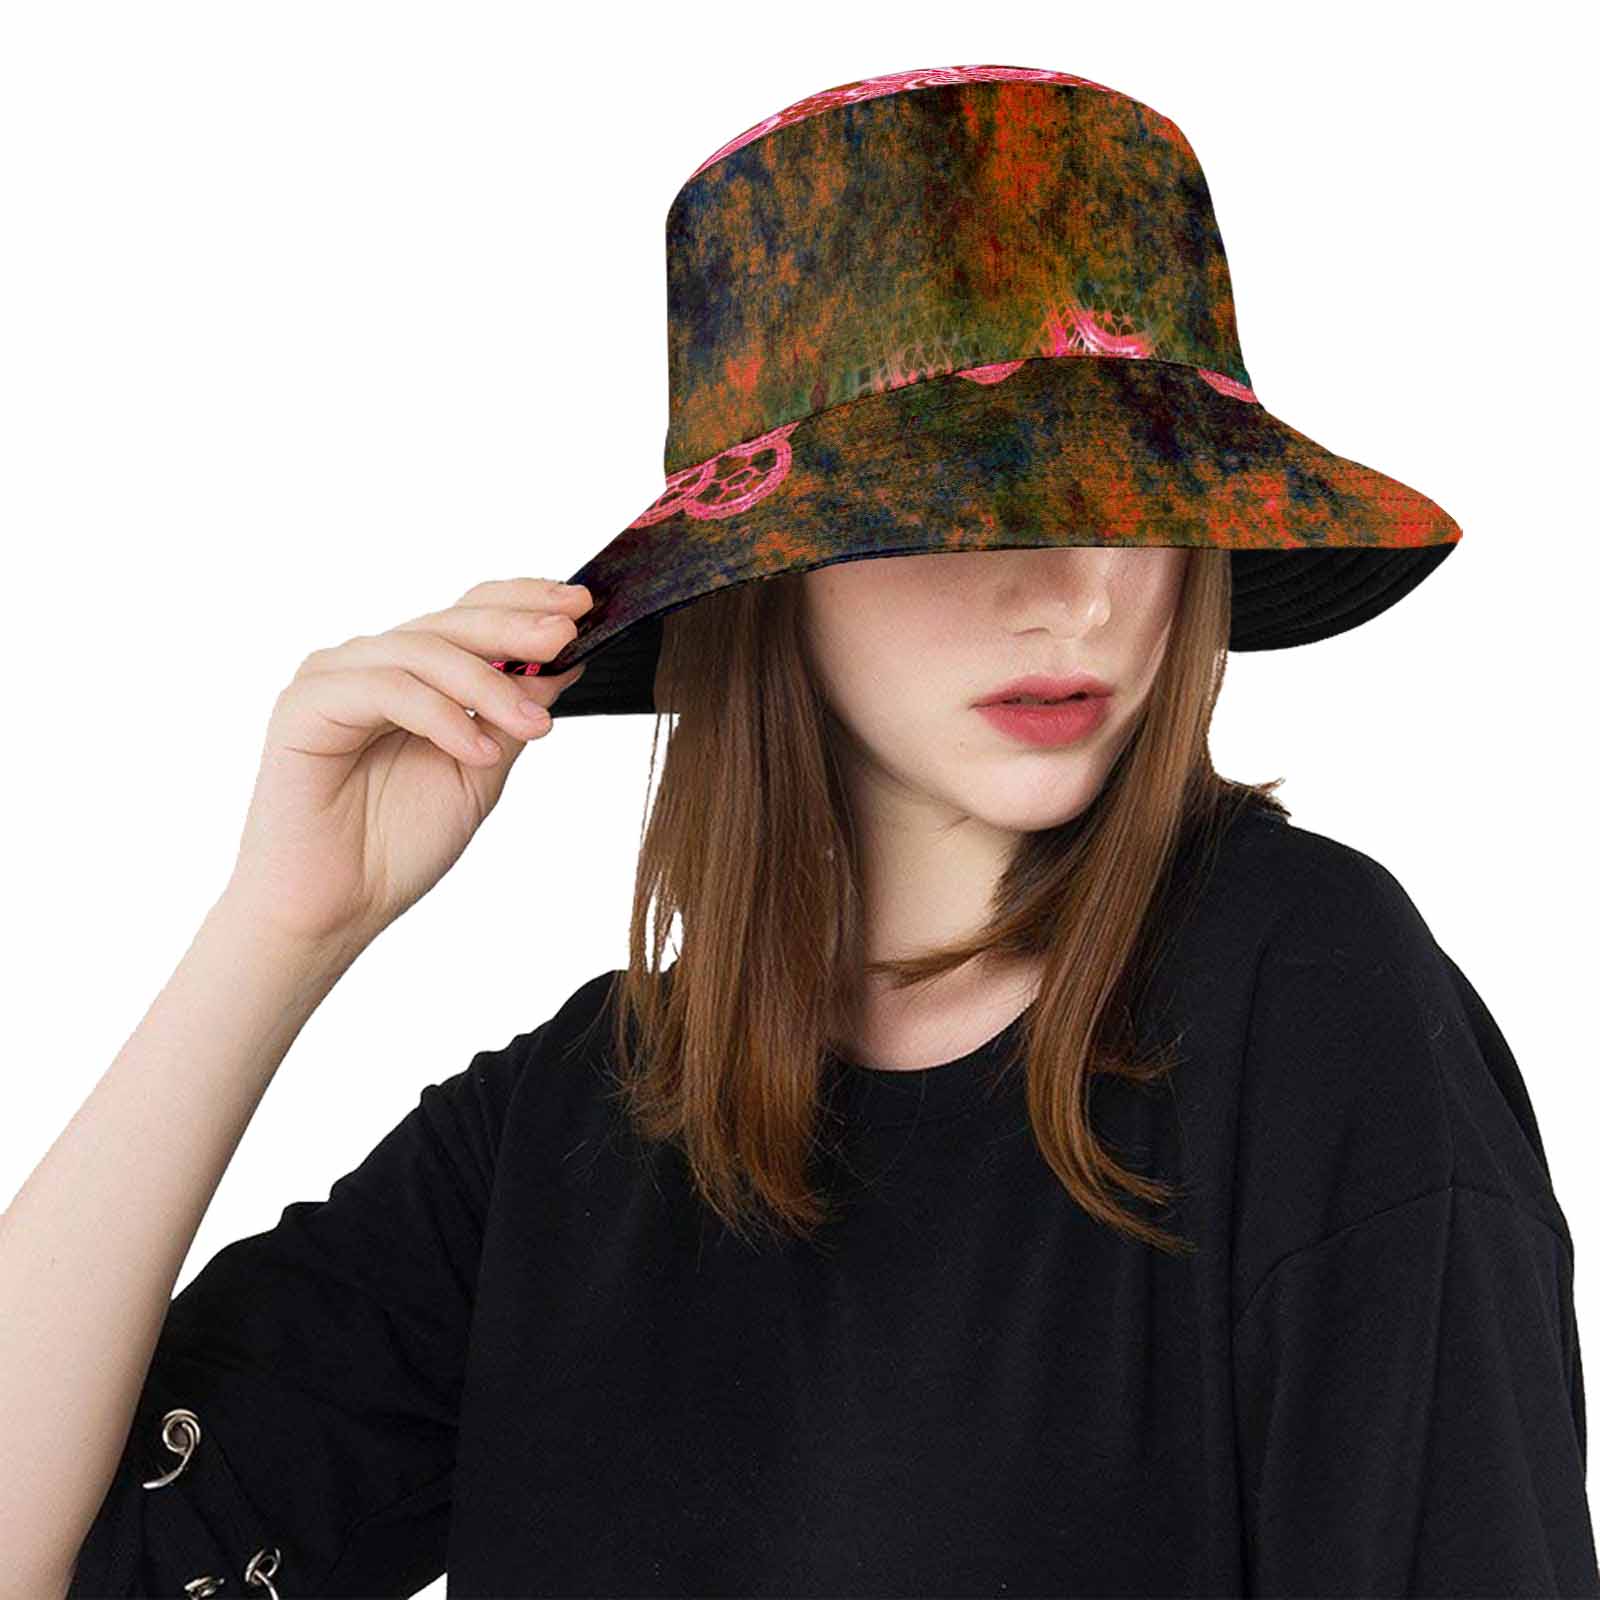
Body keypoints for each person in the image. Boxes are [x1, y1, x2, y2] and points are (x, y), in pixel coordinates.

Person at [5, 62, 1595, 1599]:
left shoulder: (1309, 1001)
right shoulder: (582, 1126)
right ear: (769, 569)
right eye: (963, 500)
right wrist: (280, 931)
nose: (1078, 591)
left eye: (1133, 495)